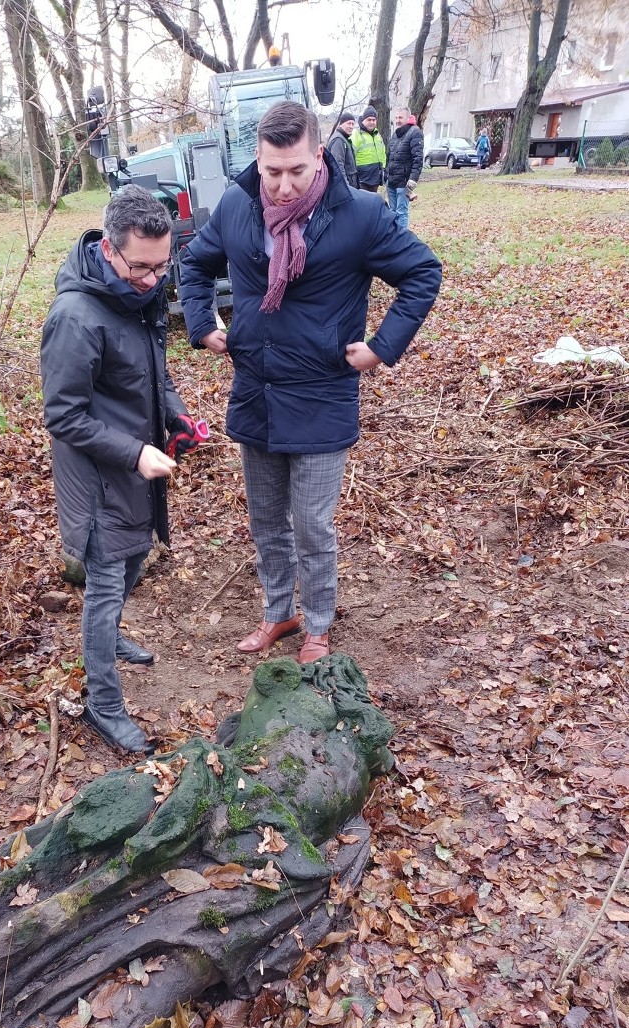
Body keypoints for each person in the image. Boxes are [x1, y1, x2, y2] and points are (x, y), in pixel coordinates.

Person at [180, 101, 441, 664]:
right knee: (266, 520)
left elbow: (423, 272)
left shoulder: (361, 216)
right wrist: (204, 325)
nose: (282, 184)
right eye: (272, 171)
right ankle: (280, 613)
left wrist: (380, 348)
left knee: (313, 526)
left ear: (318, 154)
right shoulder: (235, 205)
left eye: (296, 170)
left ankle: (318, 624)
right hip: (257, 391)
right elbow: (194, 265)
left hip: (323, 392)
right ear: (258, 159)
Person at [41, 186, 199, 753]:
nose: (155, 279)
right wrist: (133, 453)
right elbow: (62, 415)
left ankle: (109, 638)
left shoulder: (138, 296)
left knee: (136, 556)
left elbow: (153, 377)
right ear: (109, 250)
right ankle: (101, 703)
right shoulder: (77, 317)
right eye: (142, 267)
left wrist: (177, 415)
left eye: (163, 266)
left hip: (136, 468)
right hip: (100, 479)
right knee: (105, 587)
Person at [386, 106, 424, 231]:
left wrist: (413, 179)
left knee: (401, 212)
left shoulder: (415, 132)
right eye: (396, 117)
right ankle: (393, 238)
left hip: (404, 181)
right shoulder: (395, 134)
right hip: (391, 181)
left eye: (400, 117)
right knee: (392, 212)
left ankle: (401, 240)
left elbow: (418, 158)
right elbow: (390, 156)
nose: (397, 120)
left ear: (408, 118)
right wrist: (386, 175)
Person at [352, 105, 386, 192]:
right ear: (363, 120)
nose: (371, 122)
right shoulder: (356, 135)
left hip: (375, 179)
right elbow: (350, 157)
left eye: (373, 120)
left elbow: (383, 154)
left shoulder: (378, 135)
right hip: (362, 180)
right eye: (369, 120)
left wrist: (383, 169)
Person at [326, 110, 358, 188]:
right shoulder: (338, 140)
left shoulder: (344, 138)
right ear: (341, 124)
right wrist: (345, 187)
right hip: (345, 186)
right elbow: (338, 165)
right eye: (348, 123)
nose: (351, 126)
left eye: (352, 124)